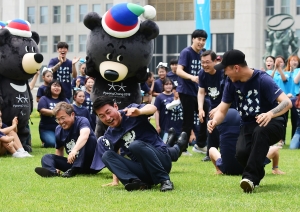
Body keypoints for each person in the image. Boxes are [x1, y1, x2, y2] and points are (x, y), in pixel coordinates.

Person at [207, 49, 292, 193]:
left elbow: (287, 102)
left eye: (226, 70)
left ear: (236, 68)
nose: (225, 73)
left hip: (273, 123)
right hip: (247, 125)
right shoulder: (230, 83)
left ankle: (250, 178)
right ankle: (257, 173)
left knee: (260, 132)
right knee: (241, 153)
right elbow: (222, 109)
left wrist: (270, 114)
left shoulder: (262, 79)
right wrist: (215, 121)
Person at [90, 96, 187, 192]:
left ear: (115, 107)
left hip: (161, 161)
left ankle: (165, 181)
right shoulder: (110, 134)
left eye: (108, 112)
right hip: (143, 171)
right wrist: (116, 180)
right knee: (106, 155)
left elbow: (152, 108)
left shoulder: (131, 112)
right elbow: (114, 156)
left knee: (135, 145)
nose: (107, 118)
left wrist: (139, 112)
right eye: (102, 116)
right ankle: (136, 182)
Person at [209, 108, 285, 175]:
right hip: (250, 167)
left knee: (211, 149)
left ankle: (219, 170)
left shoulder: (222, 117)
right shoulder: (249, 116)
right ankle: (275, 169)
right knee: (275, 149)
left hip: (227, 169)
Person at [35, 102, 100, 178]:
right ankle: (52, 172)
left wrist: (74, 150)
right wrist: (57, 166)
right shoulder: (58, 129)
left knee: (89, 139)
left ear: (72, 115)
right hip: (73, 163)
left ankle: (75, 168)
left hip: (91, 165)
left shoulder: (82, 121)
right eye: (58, 119)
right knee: (47, 157)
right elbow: (59, 149)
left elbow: (84, 135)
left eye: (63, 118)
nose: (61, 122)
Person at [176, 29, 208, 155]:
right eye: (199, 39)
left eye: (203, 40)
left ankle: (200, 145)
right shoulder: (186, 52)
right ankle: (182, 148)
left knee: (205, 114)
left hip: (198, 92)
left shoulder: (204, 53)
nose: (201, 42)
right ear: (193, 39)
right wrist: (192, 77)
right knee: (188, 120)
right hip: (186, 90)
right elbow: (179, 71)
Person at [198, 50, 226, 162]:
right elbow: (201, 92)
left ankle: (225, 152)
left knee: (224, 129)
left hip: (227, 105)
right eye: (202, 62)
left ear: (215, 61)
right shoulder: (202, 73)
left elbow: (228, 95)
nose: (205, 65)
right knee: (211, 128)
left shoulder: (223, 73)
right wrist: (200, 108)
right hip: (213, 105)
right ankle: (210, 154)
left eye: (207, 62)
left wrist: (219, 108)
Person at [37, 80, 69, 148]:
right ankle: (45, 142)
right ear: (50, 87)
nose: (56, 88)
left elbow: (69, 110)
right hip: (47, 129)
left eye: (58, 86)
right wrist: (58, 112)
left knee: (66, 142)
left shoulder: (65, 100)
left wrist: (53, 113)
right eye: (54, 86)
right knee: (52, 143)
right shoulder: (44, 98)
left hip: (62, 129)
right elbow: (42, 110)